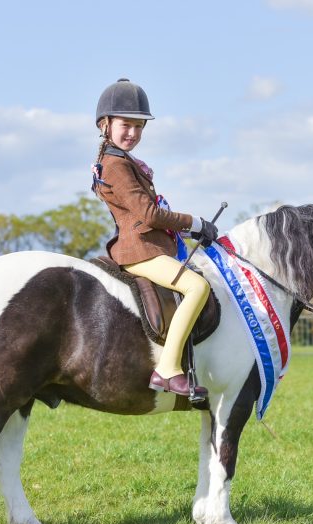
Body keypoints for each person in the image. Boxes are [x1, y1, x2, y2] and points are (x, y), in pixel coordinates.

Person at [91, 78, 218, 397]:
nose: (133, 133)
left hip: (149, 247)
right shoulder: (115, 165)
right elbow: (148, 215)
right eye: (126, 125)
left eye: (139, 126)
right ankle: (167, 369)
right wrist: (195, 222)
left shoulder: (123, 161)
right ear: (105, 124)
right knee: (197, 287)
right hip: (139, 251)